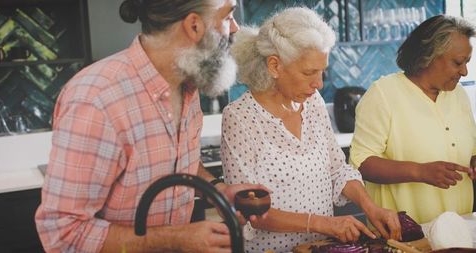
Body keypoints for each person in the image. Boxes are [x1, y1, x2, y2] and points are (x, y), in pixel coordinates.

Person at [35, 1, 269, 252]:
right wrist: (175, 238)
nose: (235, 27)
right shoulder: (98, 100)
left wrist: (217, 190)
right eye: (228, 16)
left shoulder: (187, 86)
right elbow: (63, 233)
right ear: (193, 25)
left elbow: (175, 162)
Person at [221, 7, 401, 253]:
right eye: (309, 72)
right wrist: (322, 224)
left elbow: (337, 170)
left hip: (320, 248)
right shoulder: (240, 118)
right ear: (274, 66)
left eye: (322, 71)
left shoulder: (313, 101)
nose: (319, 83)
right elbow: (250, 211)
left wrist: (371, 206)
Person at [349, 14, 476, 225]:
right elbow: (361, 163)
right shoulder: (383, 94)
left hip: (459, 230)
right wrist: (420, 171)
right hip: (404, 235)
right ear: (429, 56)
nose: (464, 71)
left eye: (467, 62)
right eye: (458, 63)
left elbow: (470, 150)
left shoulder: (458, 95)